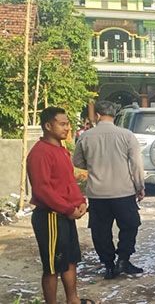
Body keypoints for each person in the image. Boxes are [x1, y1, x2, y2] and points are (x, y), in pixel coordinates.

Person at [73, 101, 146, 279]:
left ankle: (108, 265)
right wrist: (139, 186)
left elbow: (77, 162)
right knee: (130, 226)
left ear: (97, 115)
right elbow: (136, 164)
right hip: (123, 192)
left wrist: (92, 164)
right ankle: (123, 259)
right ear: (114, 116)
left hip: (97, 194)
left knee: (101, 231)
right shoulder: (127, 135)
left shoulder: (86, 136)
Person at [27, 107, 92, 304]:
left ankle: (73, 300)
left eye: (67, 124)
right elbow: (42, 190)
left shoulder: (62, 151)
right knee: (53, 267)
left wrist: (80, 202)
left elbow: (68, 182)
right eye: (62, 124)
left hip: (65, 215)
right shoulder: (40, 153)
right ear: (48, 125)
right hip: (50, 217)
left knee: (70, 261)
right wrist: (67, 209)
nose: (67, 128)